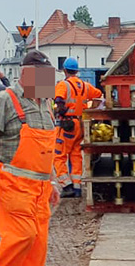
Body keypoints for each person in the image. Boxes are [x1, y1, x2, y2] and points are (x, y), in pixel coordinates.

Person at [0, 49, 60, 266]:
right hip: (14, 183)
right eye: (41, 75)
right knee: (22, 236)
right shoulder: (6, 99)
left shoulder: (46, 104)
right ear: (26, 74)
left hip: (40, 188)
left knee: (38, 243)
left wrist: (53, 180)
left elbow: (46, 149)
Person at [52, 56, 106, 198]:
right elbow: (99, 94)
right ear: (76, 70)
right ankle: (77, 187)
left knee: (59, 155)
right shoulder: (85, 85)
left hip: (67, 124)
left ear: (64, 70)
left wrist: (59, 110)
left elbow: (59, 101)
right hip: (80, 125)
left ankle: (66, 185)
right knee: (76, 155)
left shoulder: (63, 85)